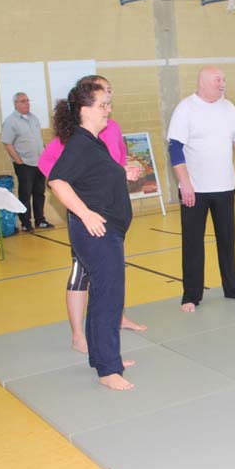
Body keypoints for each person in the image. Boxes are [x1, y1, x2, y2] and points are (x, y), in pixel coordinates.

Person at [37, 75, 147, 352]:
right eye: (102, 97)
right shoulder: (77, 137)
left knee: (109, 280)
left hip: (110, 216)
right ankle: (79, 335)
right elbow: (55, 171)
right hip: (89, 216)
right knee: (84, 273)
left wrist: (122, 172)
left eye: (109, 93)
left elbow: (106, 165)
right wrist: (80, 202)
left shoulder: (109, 128)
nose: (108, 102)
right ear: (86, 106)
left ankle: (115, 321)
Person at [48, 81, 135, 390]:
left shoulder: (92, 142)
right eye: (102, 106)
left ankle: (104, 359)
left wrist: (123, 173)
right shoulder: (80, 144)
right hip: (97, 233)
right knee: (109, 298)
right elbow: (57, 181)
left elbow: (95, 178)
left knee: (103, 295)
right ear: (85, 110)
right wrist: (84, 213)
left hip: (108, 232)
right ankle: (108, 370)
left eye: (108, 105)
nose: (107, 110)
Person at [167, 67, 235, 312]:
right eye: (218, 80)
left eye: (224, 79)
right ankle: (191, 296)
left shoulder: (229, 108)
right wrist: (185, 182)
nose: (222, 83)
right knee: (193, 244)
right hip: (194, 190)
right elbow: (175, 148)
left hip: (224, 187)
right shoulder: (186, 108)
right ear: (203, 82)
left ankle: (233, 288)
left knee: (227, 240)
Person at [1, 92, 51, 232]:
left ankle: (40, 220)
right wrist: (19, 161)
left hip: (39, 162)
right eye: (23, 101)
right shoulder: (11, 121)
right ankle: (25, 222)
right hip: (24, 164)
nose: (27, 103)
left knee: (39, 192)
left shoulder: (33, 118)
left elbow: (38, 139)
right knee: (25, 194)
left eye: (28, 100)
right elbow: (7, 143)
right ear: (16, 104)